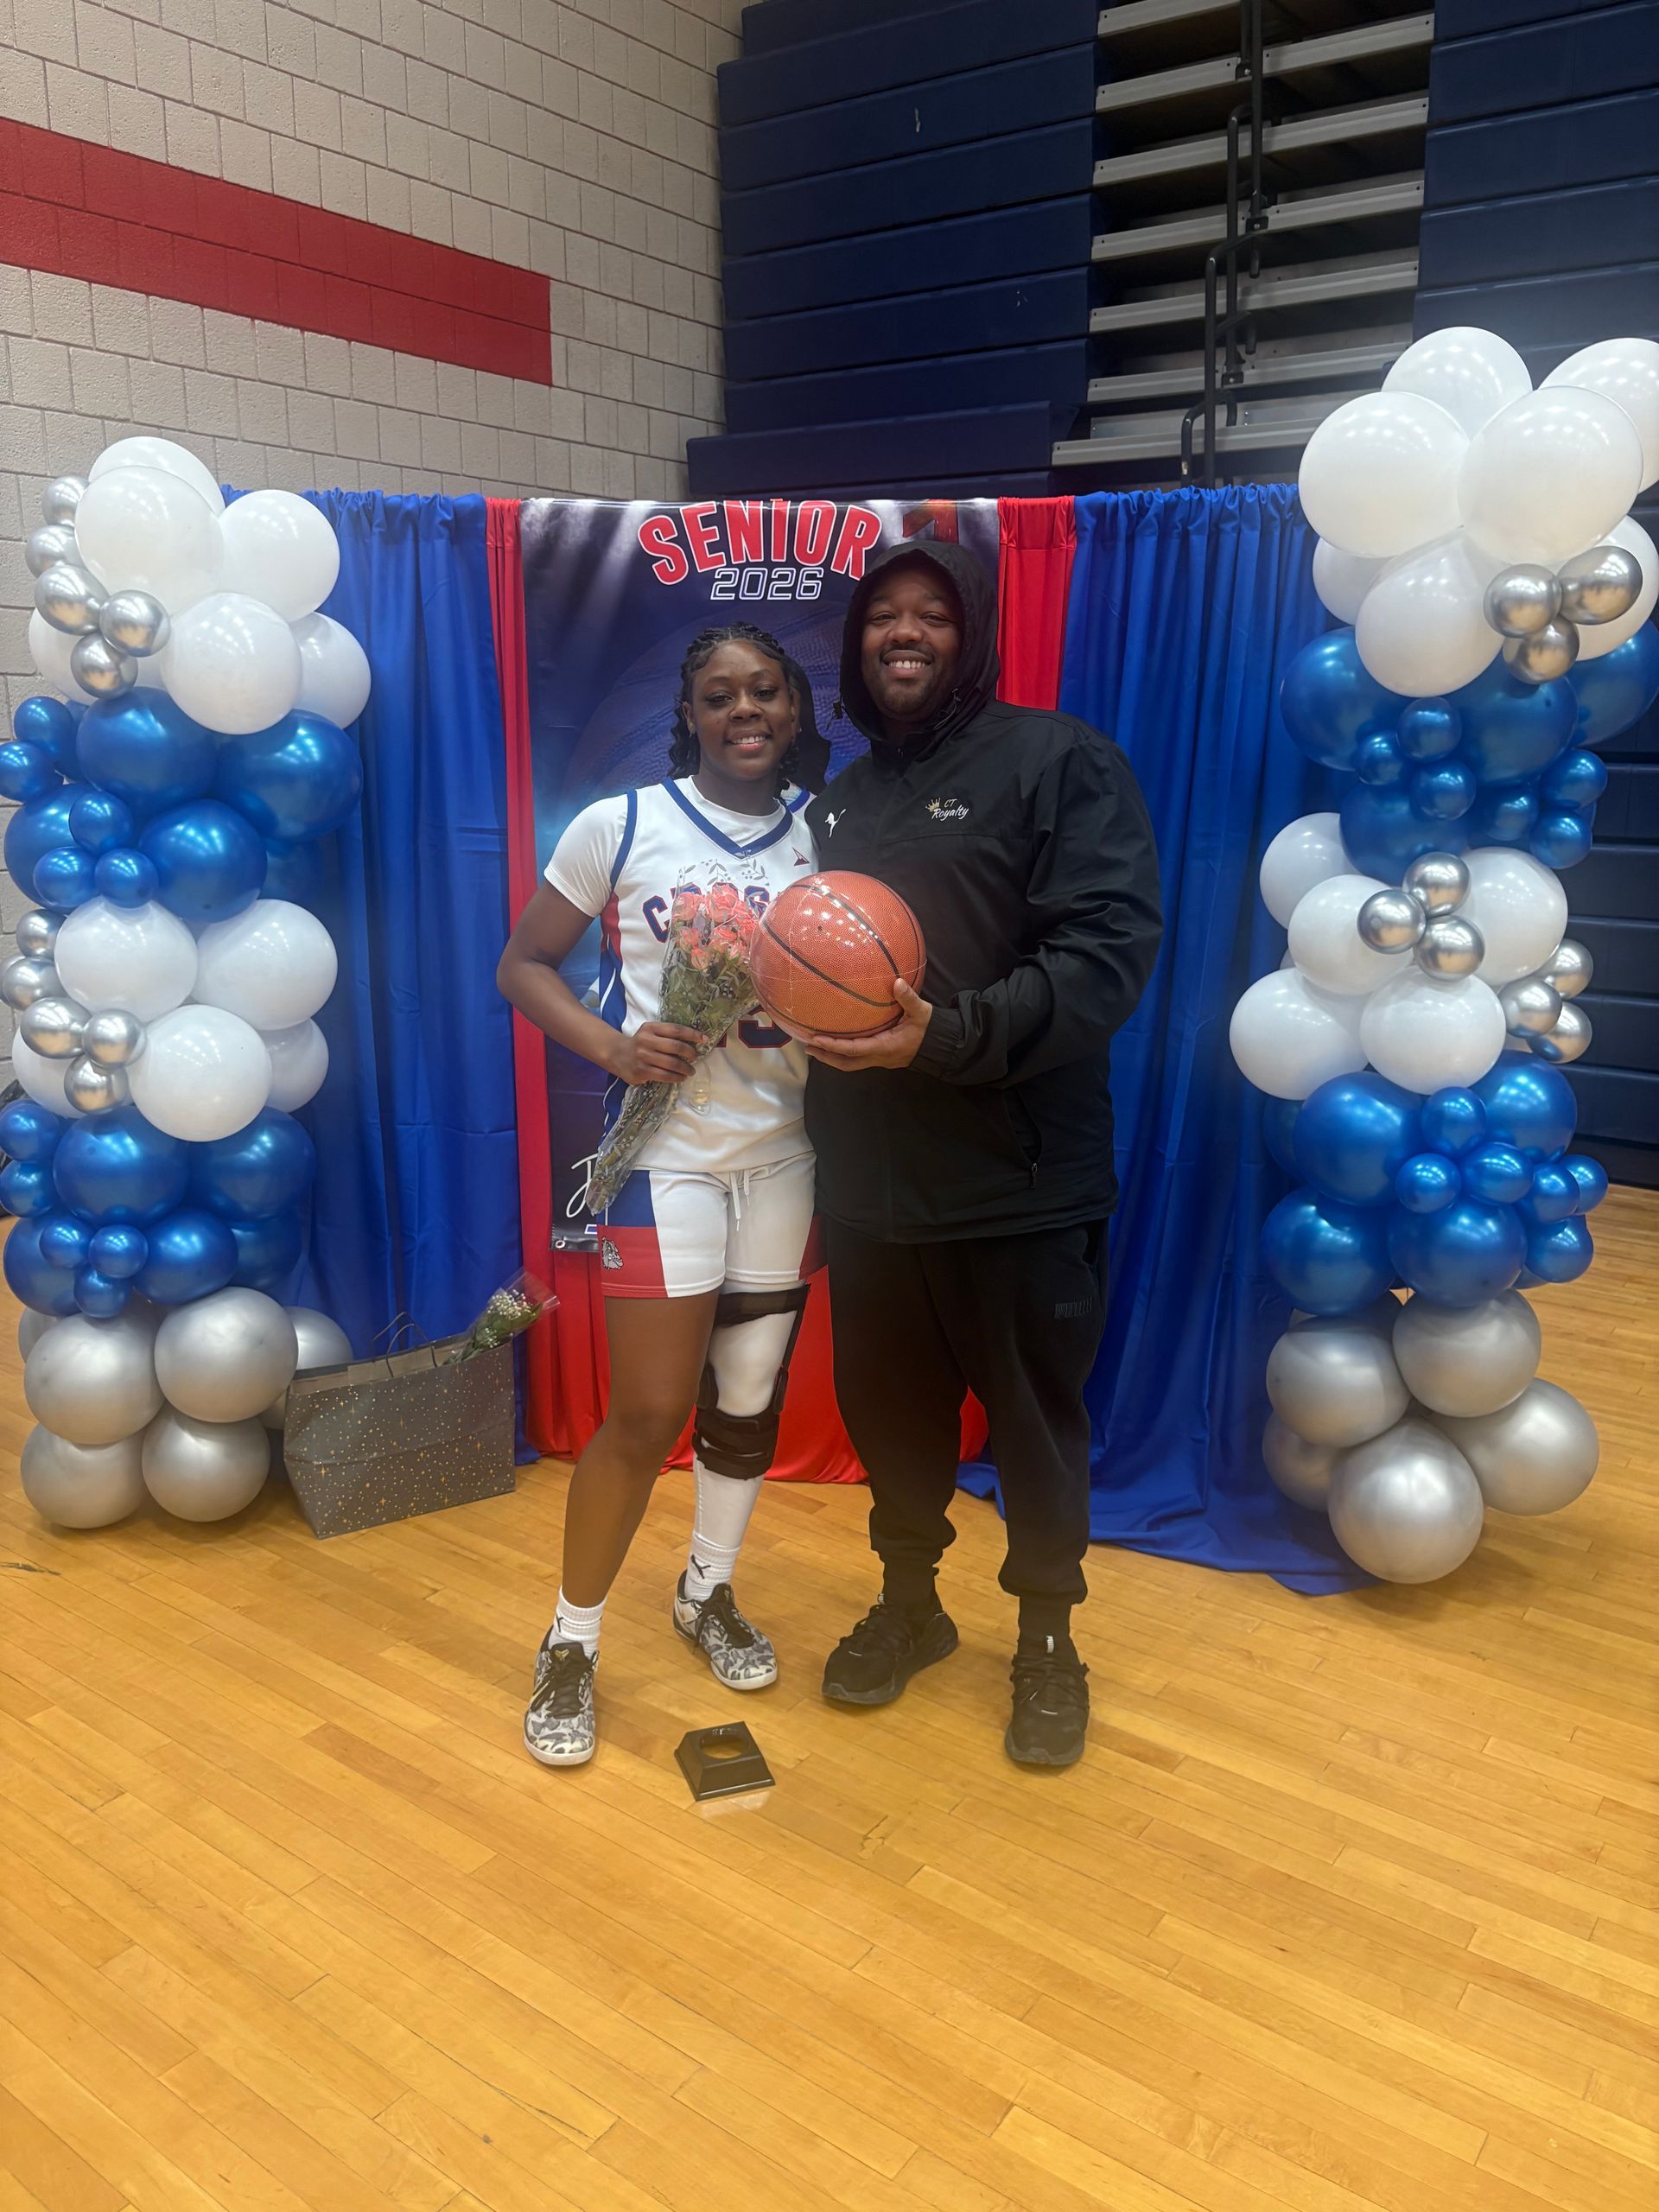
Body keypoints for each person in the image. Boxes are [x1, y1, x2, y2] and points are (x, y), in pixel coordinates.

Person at [803, 543, 1161, 1768]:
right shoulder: (841, 801)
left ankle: (1049, 1641)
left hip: (1017, 1176)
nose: (904, 634)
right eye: (882, 618)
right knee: (890, 1419)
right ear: (857, 647)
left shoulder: (1057, 762)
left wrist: (943, 1036)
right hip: (867, 1183)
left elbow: (1104, 960)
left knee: (1033, 1421)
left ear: (974, 636)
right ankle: (912, 1609)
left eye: (932, 615)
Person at [497, 622, 822, 1767]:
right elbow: (522, 963)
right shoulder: (621, 824)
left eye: (765, 691)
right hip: (664, 1157)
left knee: (746, 1393)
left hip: (787, 1154)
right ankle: (571, 1639)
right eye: (722, 693)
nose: (746, 709)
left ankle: (706, 1591)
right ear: (690, 710)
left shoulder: (825, 835)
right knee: (646, 1411)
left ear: (793, 706)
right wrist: (614, 1045)